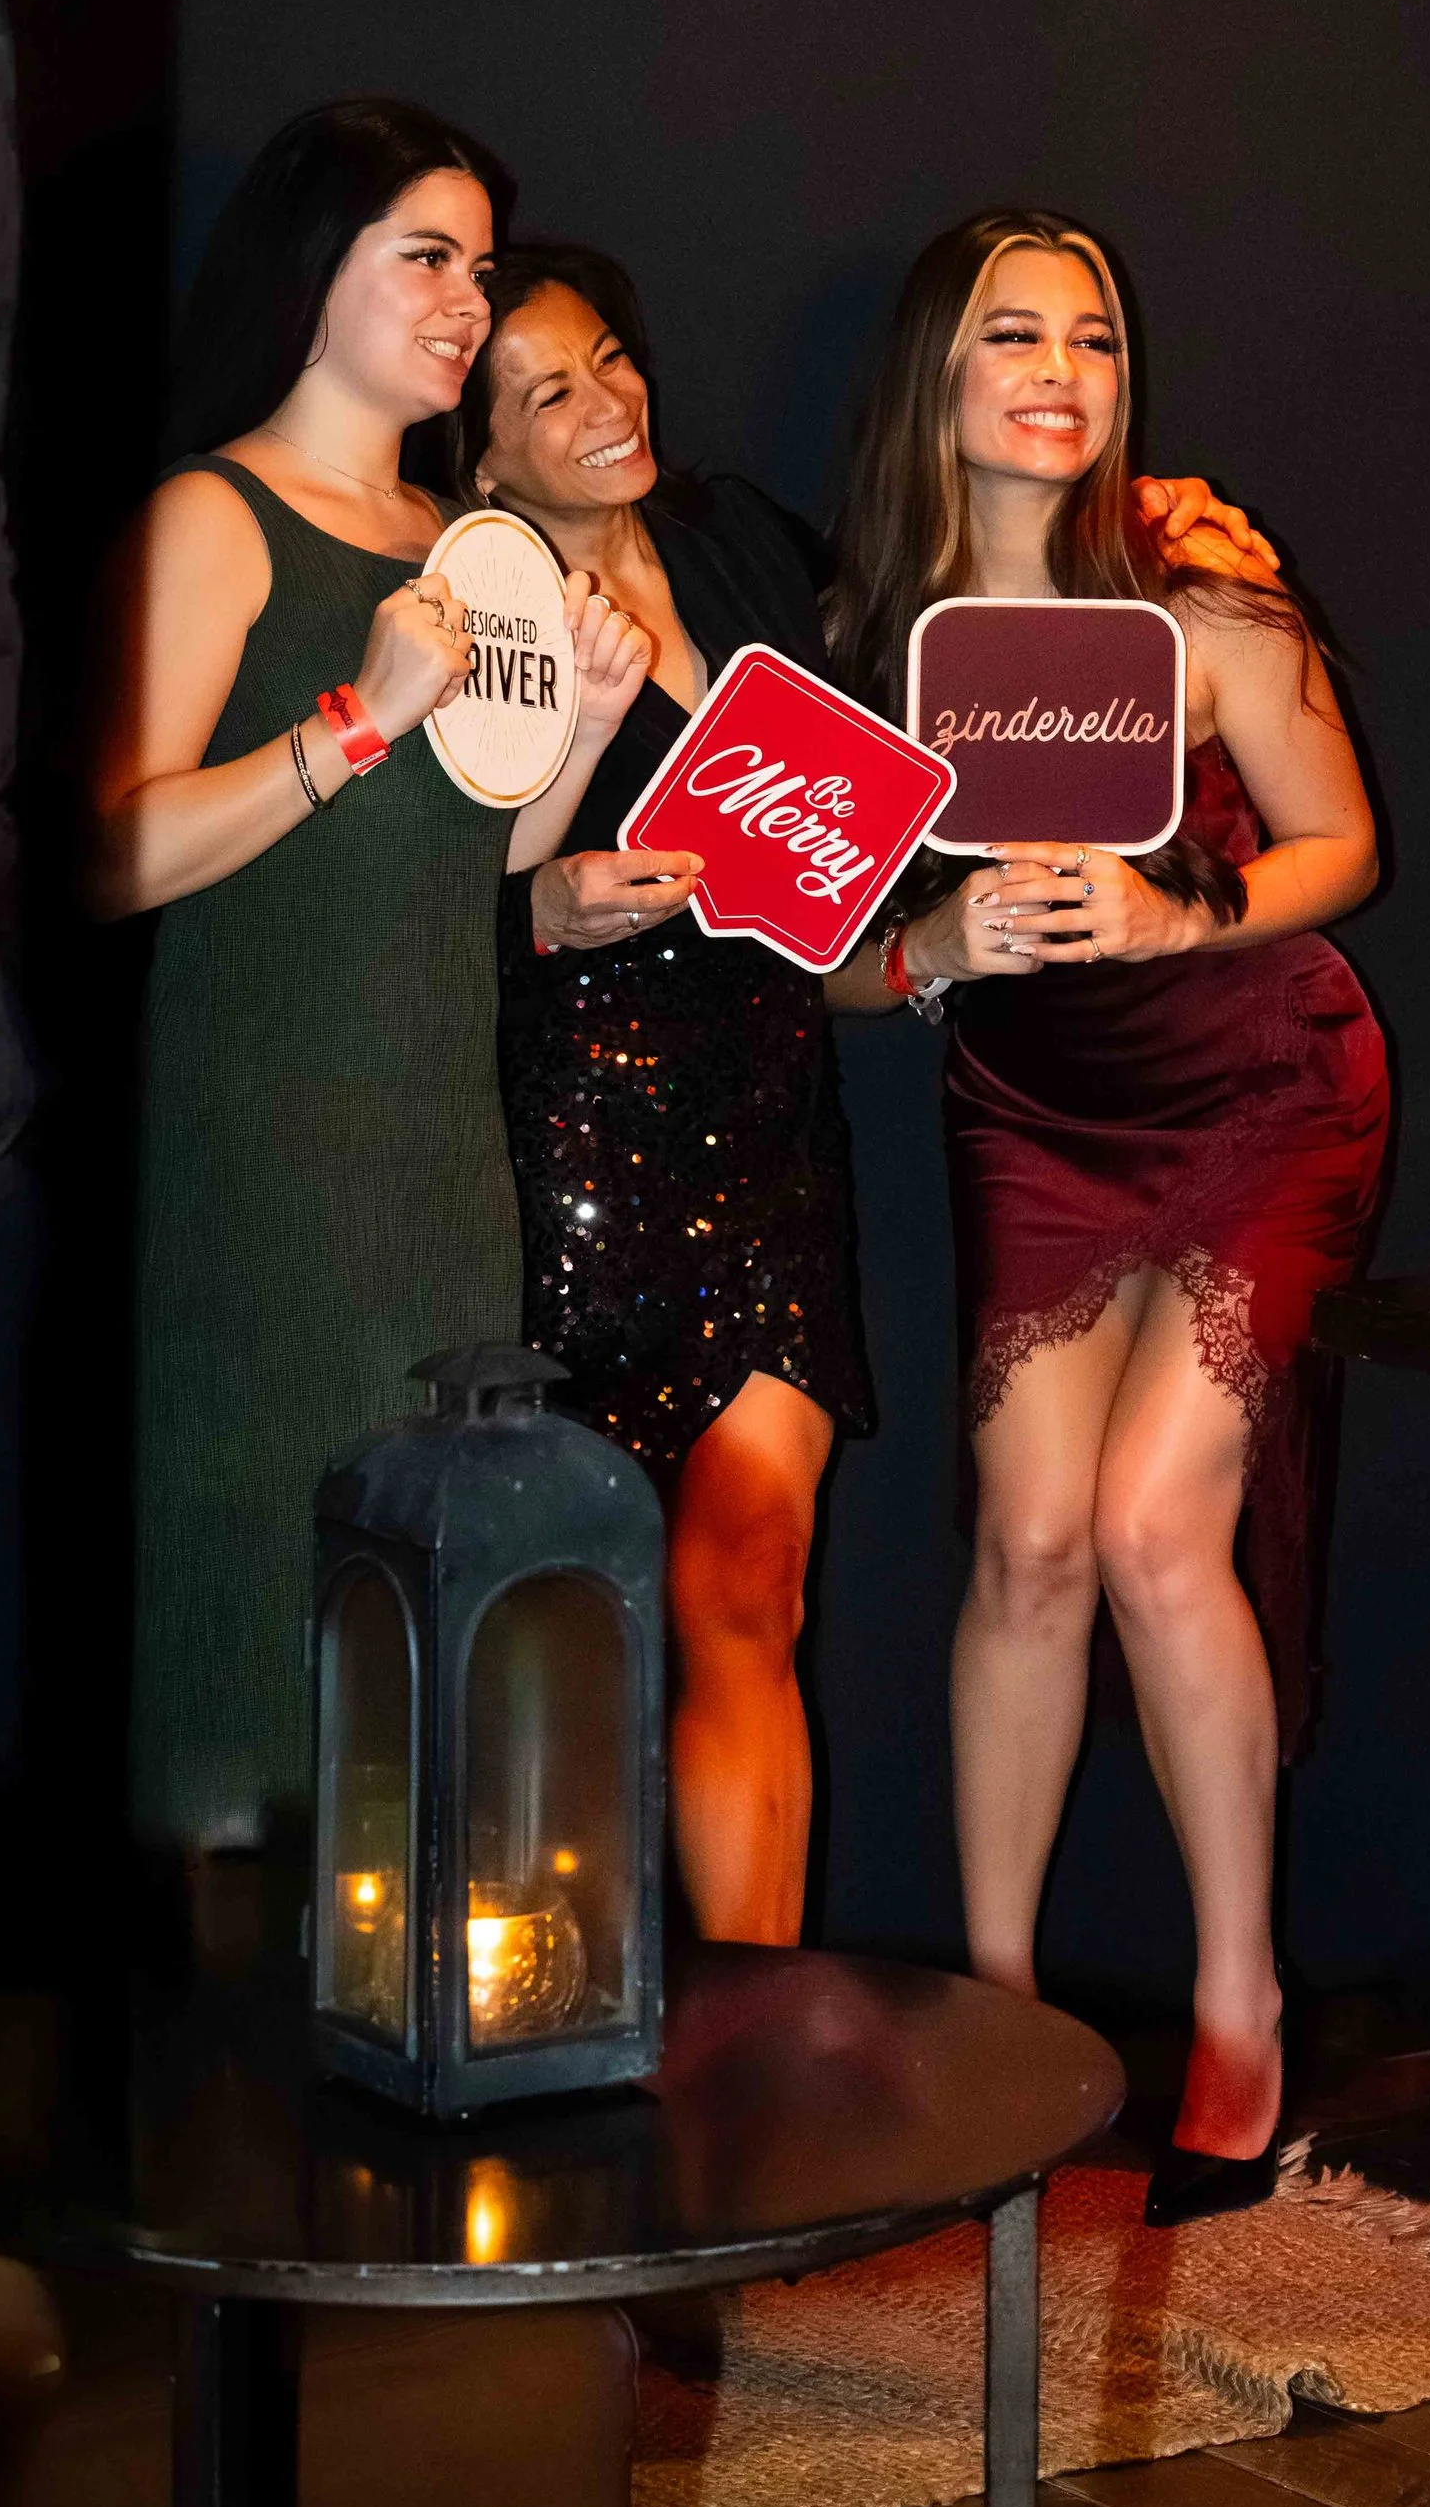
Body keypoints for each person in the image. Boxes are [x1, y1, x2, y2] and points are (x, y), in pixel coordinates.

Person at [453, 238, 1282, 1947]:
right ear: (479, 460)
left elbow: (945, 620)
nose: (605, 402)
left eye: (612, 356)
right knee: (565, 1607)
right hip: (566, 1148)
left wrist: (1147, 523)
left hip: (767, 1127)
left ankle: (747, 2029)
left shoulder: (741, 541)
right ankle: (563, 2011)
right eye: (545, 391)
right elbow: (381, 905)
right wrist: (532, 908)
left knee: (751, 1576)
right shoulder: (467, 620)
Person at [829, 208, 1389, 2220]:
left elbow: (1344, 845)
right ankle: (996, 2024)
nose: (1060, 371)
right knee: (1032, 1546)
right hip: (1035, 1119)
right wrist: (930, 948)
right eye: (1013, 335)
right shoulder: (869, 650)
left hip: (1264, 1094)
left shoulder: (1199, 598)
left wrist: (1173, 908)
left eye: (1092, 339)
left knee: (1157, 1528)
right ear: (938, 373)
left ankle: (1239, 2009)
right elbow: (821, 966)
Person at [90, 101, 648, 1860]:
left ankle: (378, 1995)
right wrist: (354, 719)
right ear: (310, 266)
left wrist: (585, 728)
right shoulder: (215, 513)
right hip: (265, 1178)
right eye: (427, 255)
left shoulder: (462, 534)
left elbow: (470, 863)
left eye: (480, 264)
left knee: (418, 1626)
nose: (469, 298)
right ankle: (207, 1988)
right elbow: (109, 851)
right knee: (258, 1615)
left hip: (441, 1167)